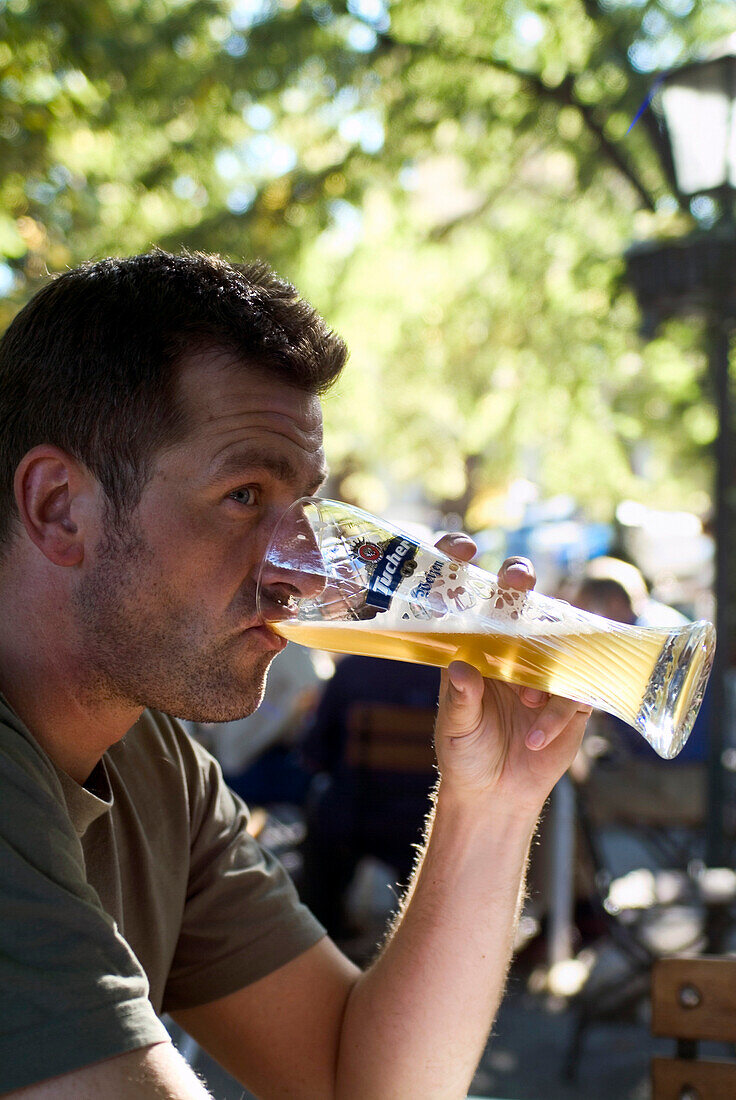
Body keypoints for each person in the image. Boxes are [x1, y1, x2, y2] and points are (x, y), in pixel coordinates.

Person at [0, 250, 591, 1099]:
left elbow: (365, 1083)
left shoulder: (151, 760)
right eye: (244, 495)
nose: (303, 576)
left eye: (304, 510)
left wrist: (494, 799)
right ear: (60, 506)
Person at [298, 655, 441, 938]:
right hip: (429, 823)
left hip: (355, 815)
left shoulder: (354, 668)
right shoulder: (455, 673)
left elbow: (316, 753)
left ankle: (324, 933)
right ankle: (420, 936)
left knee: (320, 817)